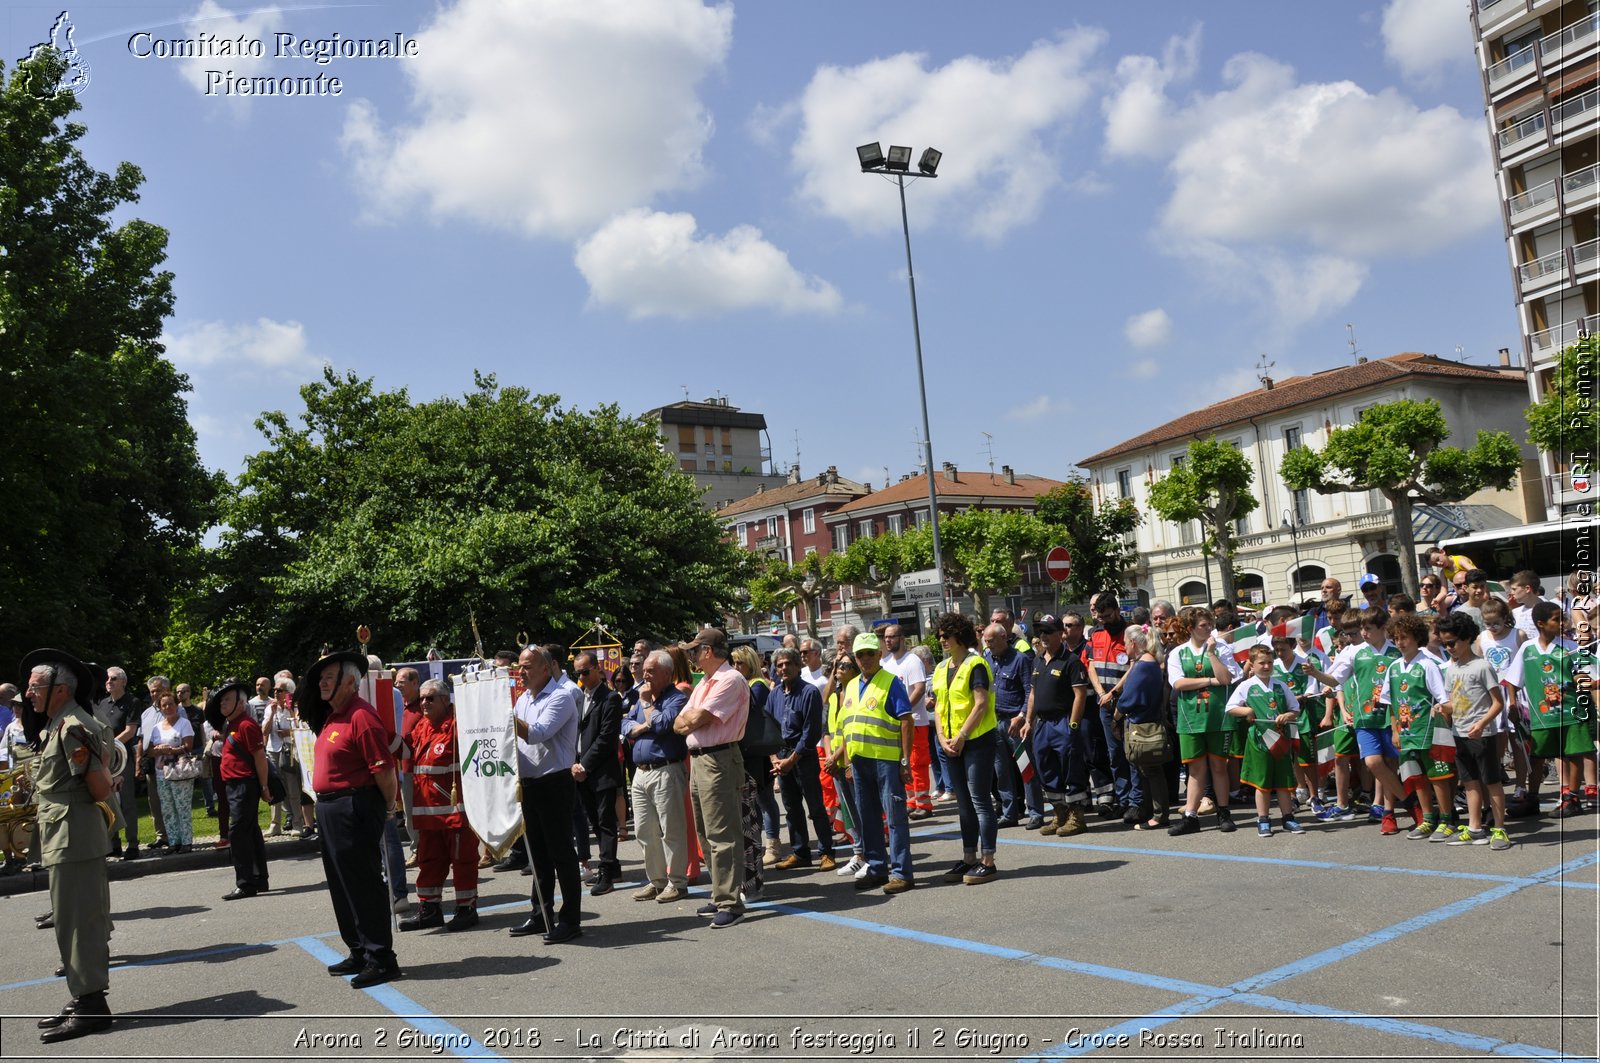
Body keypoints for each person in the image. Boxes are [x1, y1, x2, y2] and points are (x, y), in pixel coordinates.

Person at [24, 650, 117, 1043]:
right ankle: (83, 996)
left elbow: (97, 785)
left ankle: (93, 1006)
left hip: (74, 835)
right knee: (69, 920)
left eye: (34, 687)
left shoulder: (72, 727)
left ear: (59, 690)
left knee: (80, 922)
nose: (28, 694)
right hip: (66, 835)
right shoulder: (61, 724)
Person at [299, 651, 402, 986]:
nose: (322, 683)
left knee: (363, 884)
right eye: (321, 678)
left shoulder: (361, 716)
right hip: (331, 808)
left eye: (329, 677)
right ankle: (359, 951)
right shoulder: (334, 716)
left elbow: (384, 770)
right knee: (343, 885)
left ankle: (381, 957)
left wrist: (388, 807)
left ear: (348, 681)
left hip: (354, 806)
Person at [1309, 608, 1412, 835]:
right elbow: (1335, 679)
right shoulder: (1353, 652)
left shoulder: (1397, 651)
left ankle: (1388, 813)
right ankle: (1410, 802)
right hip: (1364, 717)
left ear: (1383, 628)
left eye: (1368, 628)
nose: (1363, 633)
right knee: (1373, 763)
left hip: (1393, 717)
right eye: (1362, 629)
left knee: (1390, 765)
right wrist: (1316, 673)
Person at [674, 628, 751, 928]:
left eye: (694, 650)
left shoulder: (730, 679)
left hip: (718, 758)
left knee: (722, 833)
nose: (691, 656)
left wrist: (689, 721)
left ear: (708, 651)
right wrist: (688, 721)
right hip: (703, 759)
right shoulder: (706, 682)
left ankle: (730, 902)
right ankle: (722, 893)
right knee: (707, 831)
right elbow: (681, 720)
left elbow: (692, 719)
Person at [509, 645, 583, 943]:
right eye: (519, 666)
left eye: (527, 666)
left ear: (545, 668)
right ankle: (541, 914)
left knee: (561, 854)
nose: (521, 672)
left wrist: (502, 714)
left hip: (554, 783)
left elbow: (537, 732)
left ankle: (570, 920)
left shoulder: (561, 697)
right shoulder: (523, 699)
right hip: (530, 785)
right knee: (538, 855)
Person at [1503, 602, 1598, 818]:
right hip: (1542, 716)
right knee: (1536, 757)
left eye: (1562, 618)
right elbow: (1512, 680)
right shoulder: (1527, 650)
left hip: (1572, 713)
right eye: (1556, 619)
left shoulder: (1570, 647)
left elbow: (1584, 675)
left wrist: (1582, 681)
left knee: (1573, 754)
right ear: (1541, 624)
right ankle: (1532, 799)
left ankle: (1572, 799)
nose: (1562, 623)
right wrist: (1512, 703)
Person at [399, 678, 479, 931]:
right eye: (421, 698)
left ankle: (466, 909)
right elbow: (404, 750)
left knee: (462, 860)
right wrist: (381, 734)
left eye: (430, 698)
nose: (424, 702)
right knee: (429, 862)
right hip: (428, 814)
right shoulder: (423, 726)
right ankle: (429, 910)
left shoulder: (458, 726)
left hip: (455, 812)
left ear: (446, 700)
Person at [839, 631, 915, 894]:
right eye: (860, 655)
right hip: (860, 762)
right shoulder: (850, 685)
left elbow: (907, 721)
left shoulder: (891, 682)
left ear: (879, 654)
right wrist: (848, 762)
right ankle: (876, 867)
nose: (865, 659)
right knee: (868, 818)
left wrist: (904, 760)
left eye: (870, 653)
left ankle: (902, 873)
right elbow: (847, 727)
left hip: (886, 761)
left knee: (895, 817)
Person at [930, 613, 998, 885]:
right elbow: (937, 706)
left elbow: (980, 704)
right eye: (939, 635)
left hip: (976, 740)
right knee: (964, 803)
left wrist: (961, 736)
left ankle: (988, 861)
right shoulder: (941, 667)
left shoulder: (976, 664)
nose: (942, 639)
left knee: (980, 800)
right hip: (951, 743)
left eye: (947, 634)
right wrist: (942, 737)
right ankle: (969, 857)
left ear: (960, 634)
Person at [1437, 612, 1512, 850]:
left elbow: (1498, 703)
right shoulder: (1451, 669)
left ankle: (1499, 829)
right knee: (1469, 783)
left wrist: (1481, 723)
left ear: (1467, 638)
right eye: (1444, 643)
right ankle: (1474, 828)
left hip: (1484, 735)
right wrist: (1442, 708)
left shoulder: (1482, 666)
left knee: (1492, 783)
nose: (1448, 648)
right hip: (1460, 734)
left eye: (1452, 642)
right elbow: (1454, 703)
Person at [625, 650, 691, 903]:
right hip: (640, 773)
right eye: (644, 669)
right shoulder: (642, 694)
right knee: (644, 831)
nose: (645, 674)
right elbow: (624, 725)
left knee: (671, 830)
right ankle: (656, 881)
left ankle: (677, 882)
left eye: (651, 670)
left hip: (666, 770)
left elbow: (664, 725)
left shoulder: (676, 697)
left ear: (667, 673)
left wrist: (645, 705)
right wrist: (642, 726)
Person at [1168, 609, 1241, 836]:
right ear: (1190, 628)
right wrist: (1210, 680)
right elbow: (1178, 683)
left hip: (1218, 717)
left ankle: (1223, 813)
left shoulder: (1222, 649)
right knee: (1196, 769)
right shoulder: (1178, 653)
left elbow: (1228, 678)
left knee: (1219, 766)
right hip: (1191, 718)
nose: (1209, 628)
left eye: (1210, 624)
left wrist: (1211, 654)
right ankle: (1191, 816)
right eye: (1203, 625)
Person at [1382, 616, 1452, 841]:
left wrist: (1440, 711)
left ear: (1416, 638)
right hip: (1405, 733)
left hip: (1427, 731)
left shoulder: (1427, 664)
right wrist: (1394, 731)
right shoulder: (1393, 667)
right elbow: (1391, 703)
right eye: (1396, 638)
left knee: (1437, 777)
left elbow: (1442, 699)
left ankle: (1446, 819)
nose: (1400, 642)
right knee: (1416, 777)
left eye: (1405, 637)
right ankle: (1427, 819)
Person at [1226, 647, 1305, 837]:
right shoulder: (1247, 686)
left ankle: (1288, 818)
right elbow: (1230, 708)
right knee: (1262, 783)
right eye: (1262, 663)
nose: (1267, 666)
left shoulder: (1280, 685)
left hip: (1280, 739)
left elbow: (1295, 709)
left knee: (1284, 781)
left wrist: (1287, 715)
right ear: (1252, 665)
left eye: (1269, 662)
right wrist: (1247, 711)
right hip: (1260, 740)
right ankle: (1263, 819)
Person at [767, 647, 835, 871]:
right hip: (781, 756)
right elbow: (768, 729)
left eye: (788, 663)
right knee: (791, 808)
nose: (783, 668)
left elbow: (811, 732)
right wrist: (775, 758)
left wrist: (792, 759)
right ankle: (800, 852)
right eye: (779, 665)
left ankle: (826, 851)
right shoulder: (774, 694)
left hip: (803, 757)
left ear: (798, 666)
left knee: (815, 806)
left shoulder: (809, 692)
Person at [1024, 617, 1092, 837]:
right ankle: (1060, 814)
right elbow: (1033, 694)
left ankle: (1076, 818)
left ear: (1060, 634)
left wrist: (1073, 724)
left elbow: (1080, 694)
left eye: (1048, 631)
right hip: (1043, 724)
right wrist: (1028, 720)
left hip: (1063, 722)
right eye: (1040, 631)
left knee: (1071, 769)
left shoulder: (1071, 661)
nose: (1043, 636)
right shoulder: (1037, 660)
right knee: (1046, 770)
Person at [210, 679, 270, 898]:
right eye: (222, 700)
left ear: (241, 703)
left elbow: (260, 758)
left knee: (237, 833)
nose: (222, 704)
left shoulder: (246, 724)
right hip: (235, 785)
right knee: (251, 831)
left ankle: (246, 883)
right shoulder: (232, 724)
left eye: (227, 700)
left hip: (244, 785)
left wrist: (264, 786)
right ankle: (259, 878)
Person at [571, 650, 625, 896]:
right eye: (577, 673)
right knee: (594, 821)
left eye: (585, 671)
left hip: (601, 771)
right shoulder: (580, 698)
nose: (581, 677)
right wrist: (575, 763)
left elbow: (606, 738)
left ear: (597, 669)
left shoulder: (610, 698)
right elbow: (575, 734)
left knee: (605, 823)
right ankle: (611, 866)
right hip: (581, 771)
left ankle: (606, 871)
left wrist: (586, 764)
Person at [983, 622, 1041, 830]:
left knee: (1026, 768)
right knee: (1002, 770)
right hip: (995, 721)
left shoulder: (1020, 660)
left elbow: (1029, 691)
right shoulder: (987, 659)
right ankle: (1010, 812)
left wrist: (1023, 716)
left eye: (991, 641)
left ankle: (1035, 812)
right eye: (986, 642)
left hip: (1014, 722)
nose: (988, 645)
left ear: (1003, 637)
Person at [1084, 592, 1135, 821]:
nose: (1102, 620)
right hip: (1105, 703)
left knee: (1133, 753)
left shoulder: (1131, 633)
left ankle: (1137, 800)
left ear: (1116, 610)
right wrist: (1101, 693)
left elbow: (1134, 666)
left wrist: (1115, 692)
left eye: (1106, 615)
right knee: (1115, 754)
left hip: (1127, 703)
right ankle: (1123, 801)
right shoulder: (1096, 634)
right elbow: (1091, 666)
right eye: (1099, 616)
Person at [1115, 625, 1169, 830]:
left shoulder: (1143, 666)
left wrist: (1116, 715)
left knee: (1151, 771)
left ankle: (1159, 815)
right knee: (1148, 771)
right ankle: (1153, 812)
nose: (1124, 646)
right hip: (1149, 721)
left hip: (1143, 726)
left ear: (1135, 643)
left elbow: (1128, 699)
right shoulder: (1149, 662)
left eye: (1126, 642)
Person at [879, 625, 933, 818]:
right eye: (885, 637)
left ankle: (924, 803)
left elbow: (919, 689)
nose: (887, 641)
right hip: (895, 723)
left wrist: (903, 711)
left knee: (917, 762)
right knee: (903, 761)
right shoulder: (887, 663)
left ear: (902, 638)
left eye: (892, 637)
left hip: (915, 721)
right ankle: (911, 800)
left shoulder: (912, 661)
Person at [94, 667, 142, 860]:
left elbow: (130, 731)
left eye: (113, 679)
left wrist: (109, 745)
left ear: (123, 681)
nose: (109, 682)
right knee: (108, 801)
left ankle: (132, 843)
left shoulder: (132, 702)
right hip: (106, 759)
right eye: (107, 679)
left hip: (122, 759)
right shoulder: (102, 703)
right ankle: (114, 843)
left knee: (127, 802)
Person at [144, 692, 196, 854]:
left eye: (171, 704)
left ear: (176, 705)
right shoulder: (156, 728)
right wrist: (157, 750)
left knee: (182, 807)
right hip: (161, 773)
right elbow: (150, 751)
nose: (168, 707)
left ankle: (186, 842)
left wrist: (171, 750)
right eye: (164, 705)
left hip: (179, 772)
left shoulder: (184, 723)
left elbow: (188, 746)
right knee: (167, 809)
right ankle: (174, 841)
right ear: (160, 708)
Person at [263, 679, 305, 836]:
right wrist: (272, 713)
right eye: (274, 690)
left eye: (279, 690)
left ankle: (298, 823)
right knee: (274, 787)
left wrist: (289, 731)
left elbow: (303, 728)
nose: (275, 692)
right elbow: (265, 731)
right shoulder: (270, 709)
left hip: (289, 750)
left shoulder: (294, 708)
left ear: (288, 693)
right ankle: (275, 824)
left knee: (292, 788)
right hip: (273, 749)